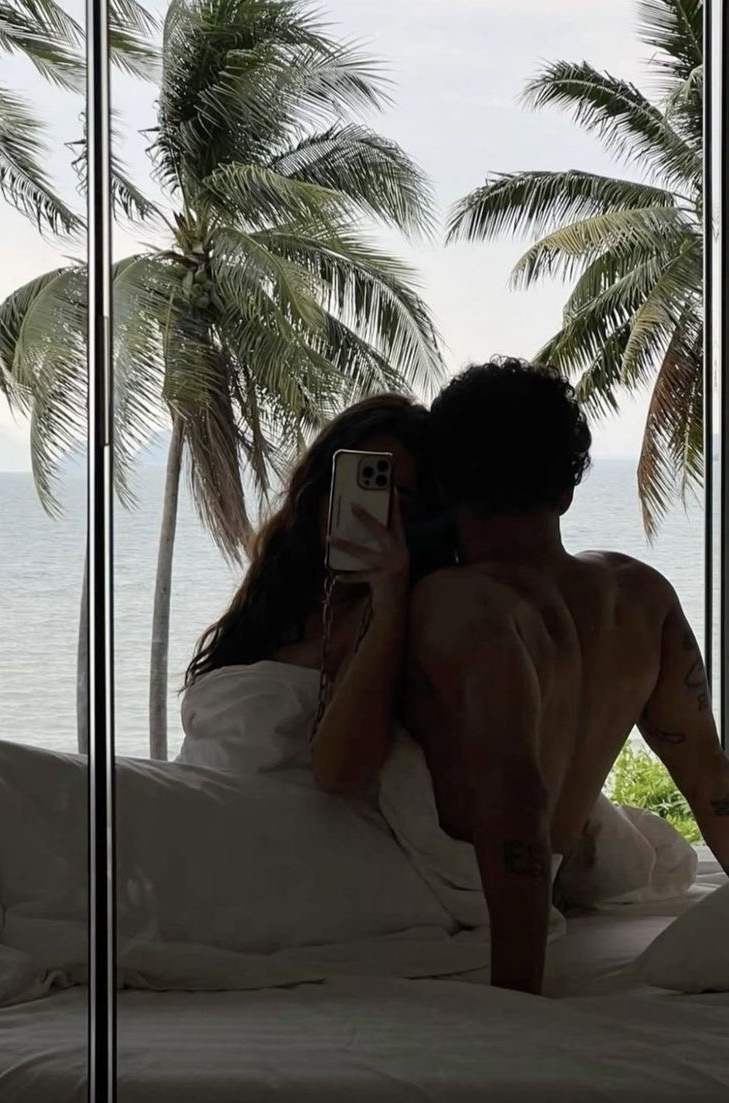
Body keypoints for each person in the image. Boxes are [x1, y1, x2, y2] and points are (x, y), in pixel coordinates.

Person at [405, 358, 729, 996]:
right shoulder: (641, 595)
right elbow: (709, 778)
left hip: (459, 892)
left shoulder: (457, 603)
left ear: (443, 488)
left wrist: (517, 997)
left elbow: (515, 798)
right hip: (541, 877)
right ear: (566, 491)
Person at [180, 394, 451, 792]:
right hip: (198, 795)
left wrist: (389, 603)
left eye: (398, 500)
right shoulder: (276, 595)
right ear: (320, 486)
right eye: (356, 486)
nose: (368, 512)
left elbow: (343, 770)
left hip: (265, 816)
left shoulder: (400, 615)